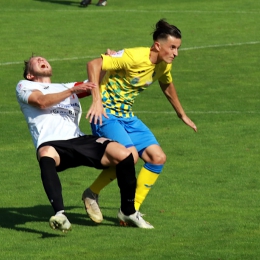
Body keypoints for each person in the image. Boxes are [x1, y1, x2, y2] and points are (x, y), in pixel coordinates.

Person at [16, 56, 153, 232]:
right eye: (36, 60)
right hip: (53, 144)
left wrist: (108, 60)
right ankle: (60, 214)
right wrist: (72, 90)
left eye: (44, 59)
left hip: (78, 139)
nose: (42, 60)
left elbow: (95, 81)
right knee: (45, 153)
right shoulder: (24, 86)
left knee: (125, 155)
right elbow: (41, 102)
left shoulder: (66, 86)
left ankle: (128, 211)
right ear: (29, 75)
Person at [83, 19, 197, 225]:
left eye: (178, 48)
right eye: (172, 48)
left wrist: (181, 114)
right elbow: (94, 64)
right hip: (106, 115)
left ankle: (130, 210)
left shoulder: (163, 66)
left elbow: (167, 85)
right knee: (129, 157)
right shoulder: (134, 56)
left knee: (157, 157)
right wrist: (97, 101)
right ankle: (92, 193)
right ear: (157, 45)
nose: (175, 53)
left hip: (127, 116)